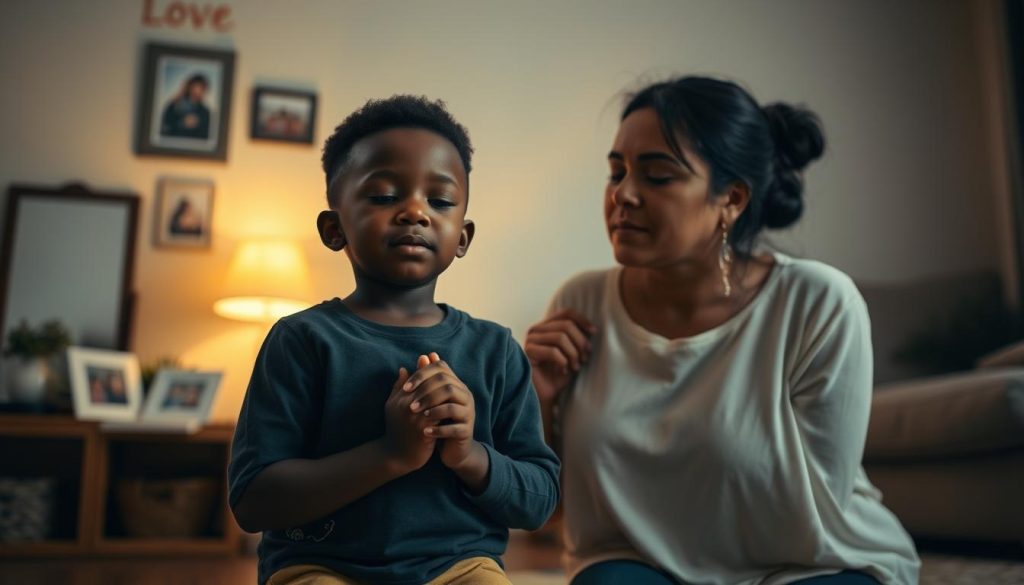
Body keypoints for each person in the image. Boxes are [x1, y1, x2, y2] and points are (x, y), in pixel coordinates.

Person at [525, 76, 920, 585]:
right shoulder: (579, 305)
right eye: (616, 172)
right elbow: (542, 515)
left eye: (658, 176)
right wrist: (539, 398)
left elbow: (817, 501)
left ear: (731, 199)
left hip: (805, 566)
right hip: (638, 565)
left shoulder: (818, 302)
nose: (623, 194)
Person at [228, 95, 560, 585]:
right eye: (384, 195)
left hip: (458, 569)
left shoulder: (495, 352)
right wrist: (391, 455)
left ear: (463, 236)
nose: (414, 212)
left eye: (440, 201)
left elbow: (539, 502)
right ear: (334, 228)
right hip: (322, 567)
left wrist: (469, 454)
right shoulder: (302, 340)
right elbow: (254, 500)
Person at [160, 73, 211, 139]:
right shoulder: (174, 104)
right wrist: (182, 123)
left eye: (201, 89)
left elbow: (205, 136)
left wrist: (197, 124)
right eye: (194, 87)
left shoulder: (205, 111)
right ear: (188, 87)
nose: (197, 91)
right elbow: (165, 126)